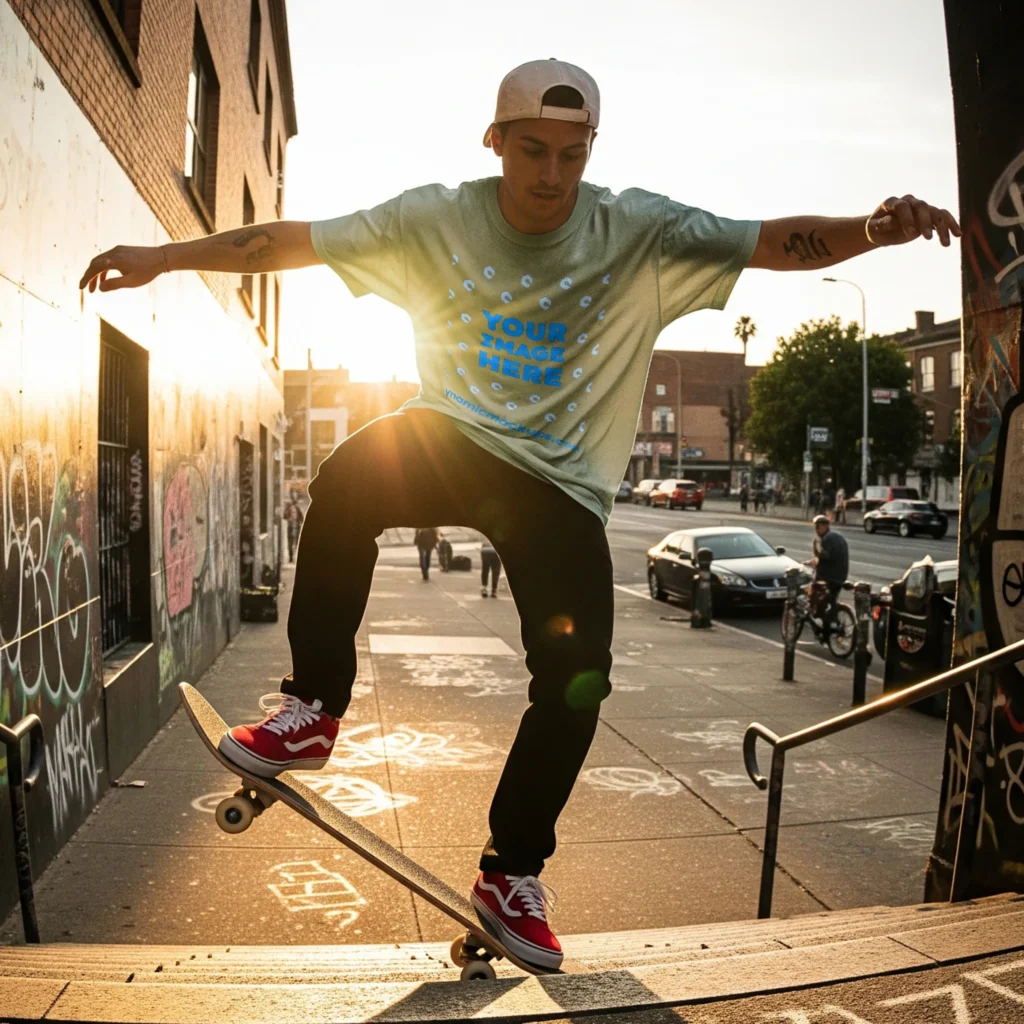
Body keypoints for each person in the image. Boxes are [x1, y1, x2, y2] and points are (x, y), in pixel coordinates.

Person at [79, 55, 959, 970]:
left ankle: (511, 873)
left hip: (563, 483)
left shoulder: (639, 229)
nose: (550, 177)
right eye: (532, 151)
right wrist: (167, 257)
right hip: (453, 434)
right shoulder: (434, 217)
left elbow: (770, 241)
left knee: (579, 677)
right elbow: (289, 241)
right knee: (347, 480)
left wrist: (869, 230)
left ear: (591, 152)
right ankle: (312, 710)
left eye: (571, 157)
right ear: (495, 143)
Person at [811, 513, 849, 632]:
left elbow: (825, 557)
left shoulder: (827, 538)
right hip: (841, 575)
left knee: (816, 591)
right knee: (831, 599)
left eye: (818, 527)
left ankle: (822, 622)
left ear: (824, 526)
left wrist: (815, 551)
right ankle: (831, 618)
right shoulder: (837, 536)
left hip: (831, 577)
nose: (816, 530)